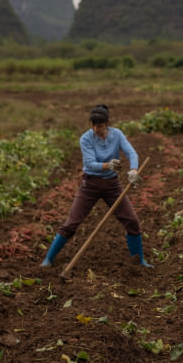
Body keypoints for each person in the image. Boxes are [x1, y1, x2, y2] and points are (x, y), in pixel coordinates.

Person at [41, 104, 152, 268]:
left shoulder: (117, 135)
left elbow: (131, 153)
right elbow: (90, 163)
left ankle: (139, 260)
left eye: (99, 126)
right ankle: (48, 259)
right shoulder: (85, 138)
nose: (95, 129)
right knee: (72, 223)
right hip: (90, 185)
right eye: (92, 125)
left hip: (112, 185)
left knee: (132, 221)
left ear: (107, 123)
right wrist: (107, 165)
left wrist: (133, 170)